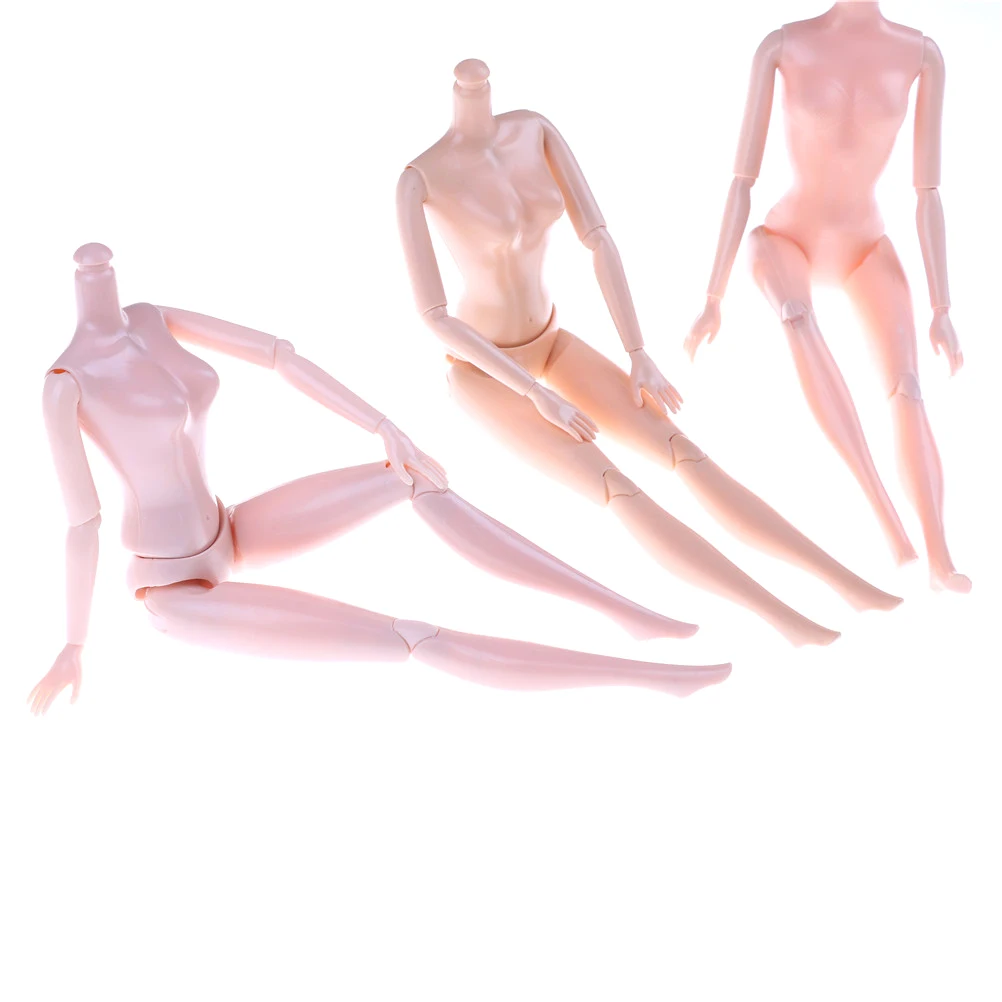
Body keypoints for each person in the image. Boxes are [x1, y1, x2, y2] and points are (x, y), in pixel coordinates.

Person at [27, 243, 733, 715]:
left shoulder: (151, 319)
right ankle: (647, 679)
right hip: (172, 587)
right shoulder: (66, 382)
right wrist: (73, 646)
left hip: (229, 526)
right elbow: (81, 524)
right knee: (415, 635)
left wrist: (382, 427)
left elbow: (279, 356)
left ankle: (621, 612)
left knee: (410, 475)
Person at [397, 59, 900, 649]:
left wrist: (638, 352)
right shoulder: (420, 178)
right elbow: (434, 318)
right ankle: (782, 619)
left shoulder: (534, 130)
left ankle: (841, 580)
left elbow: (598, 239)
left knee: (682, 451)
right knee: (615, 485)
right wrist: (535, 394)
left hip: (553, 342)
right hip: (484, 371)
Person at [687, 1, 969, 591]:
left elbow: (928, 192)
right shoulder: (782, 45)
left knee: (908, 386)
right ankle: (888, 523)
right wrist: (714, 295)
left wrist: (942, 308)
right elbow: (741, 180)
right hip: (786, 237)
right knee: (797, 317)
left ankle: (939, 556)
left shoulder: (921, 55)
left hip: (866, 246)